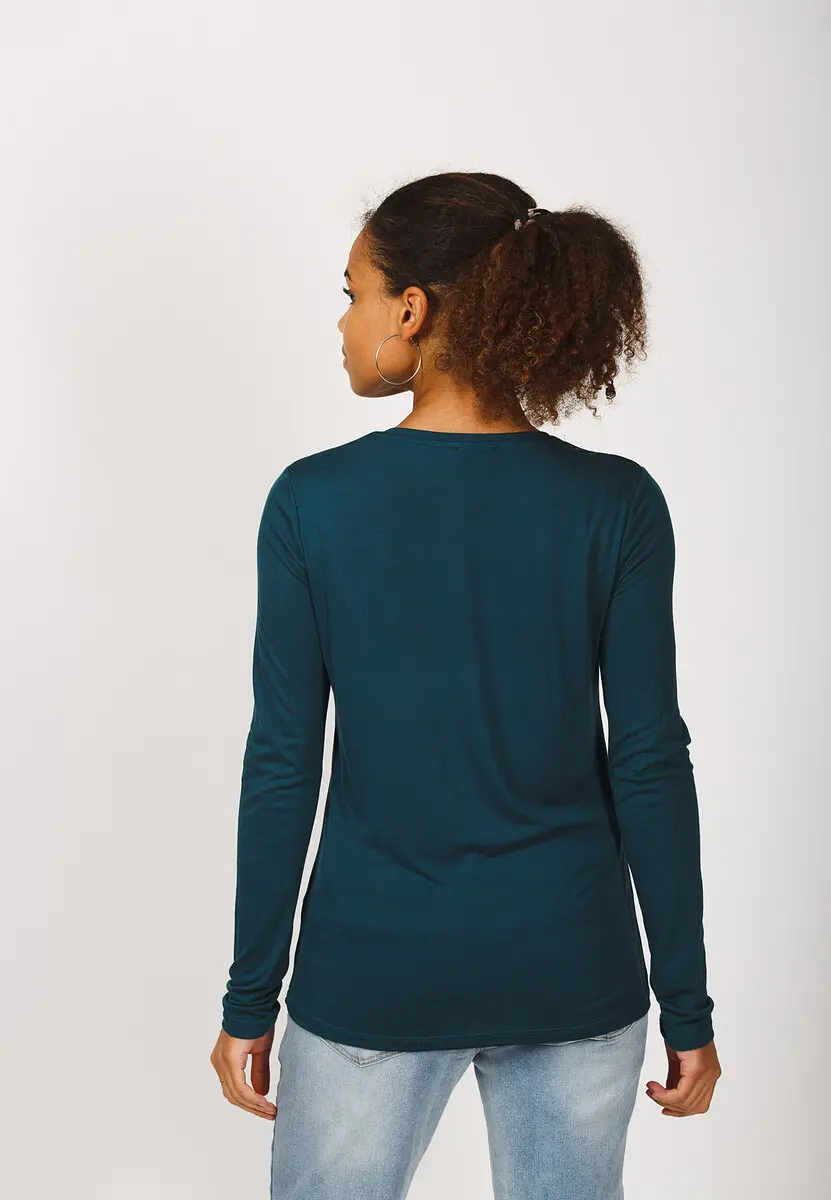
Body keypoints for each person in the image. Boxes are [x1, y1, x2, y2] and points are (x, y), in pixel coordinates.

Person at [210, 171, 722, 1198]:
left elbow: (283, 764)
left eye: (353, 293)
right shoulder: (617, 504)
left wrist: (249, 999)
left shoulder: (314, 503)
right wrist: (687, 1007)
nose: (344, 322)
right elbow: (650, 763)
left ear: (412, 310)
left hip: (376, 972)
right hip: (574, 968)